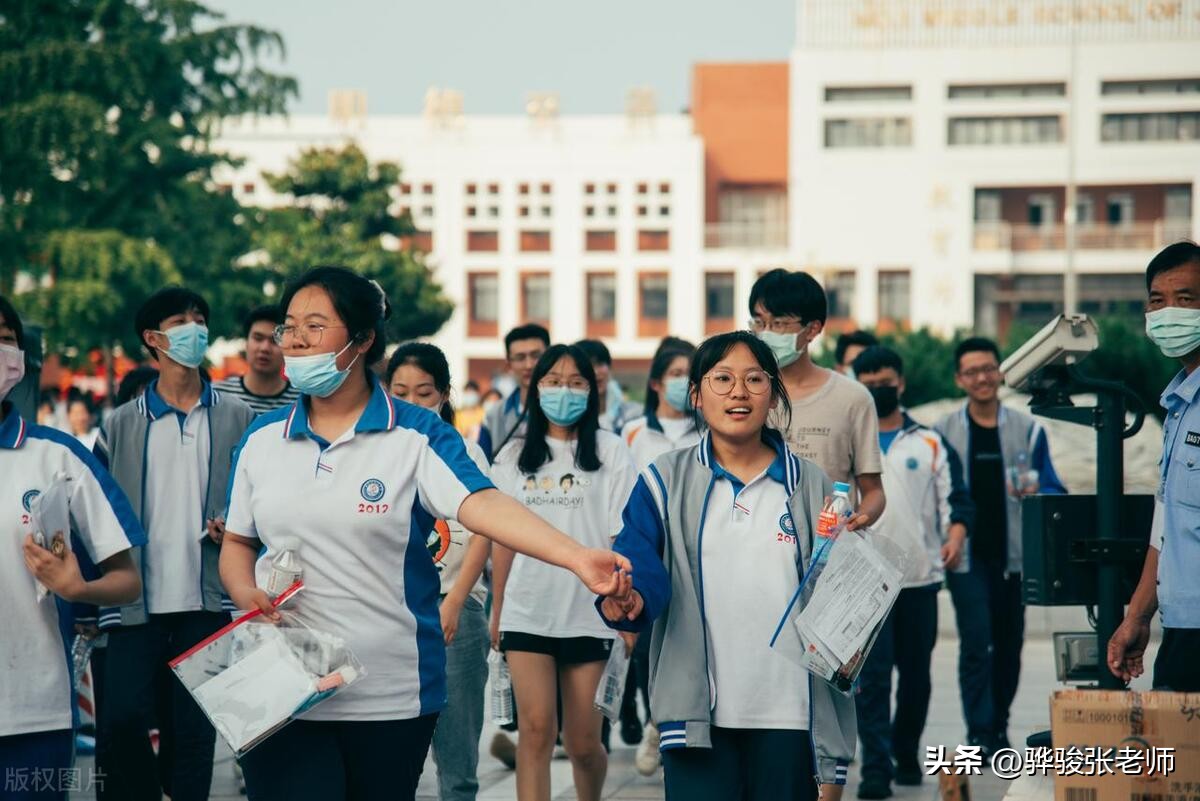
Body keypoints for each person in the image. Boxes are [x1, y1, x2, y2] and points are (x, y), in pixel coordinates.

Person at [219, 267, 632, 801]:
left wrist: (577, 557)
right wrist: (242, 589)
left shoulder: (415, 434)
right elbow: (238, 541)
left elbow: (481, 504)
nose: (294, 339)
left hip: (388, 692)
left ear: (363, 339)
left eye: (315, 325)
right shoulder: (261, 439)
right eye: (288, 325)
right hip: (281, 684)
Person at [599, 330, 859, 801]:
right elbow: (641, 563)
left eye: (754, 379)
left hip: (792, 714)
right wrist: (629, 597)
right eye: (722, 378)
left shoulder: (813, 486)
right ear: (696, 395)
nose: (739, 392)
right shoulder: (664, 480)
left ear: (773, 394)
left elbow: (839, 598)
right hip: (699, 718)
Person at [91, 286, 256, 801]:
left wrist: (236, 524)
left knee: (194, 733)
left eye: (200, 317)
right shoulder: (118, 425)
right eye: (181, 319)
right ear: (153, 338)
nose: (195, 327)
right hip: (134, 598)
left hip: (208, 600)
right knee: (120, 719)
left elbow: (262, 500)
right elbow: (94, 509)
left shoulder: (238, 417)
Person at [0, 296, 146, 801]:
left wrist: (79, 586)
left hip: (32, 713)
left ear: (19, 357)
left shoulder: (56, 457)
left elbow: (128, 580)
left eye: (4, 336)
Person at [489, 343, 638, 801]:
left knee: (582, 742)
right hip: (528, 610)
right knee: (534, 732)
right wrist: (497, 612)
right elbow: (501, 538)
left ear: (592, 393)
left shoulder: (611, 450)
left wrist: (626, 612)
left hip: (591, 612)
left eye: (576, 383)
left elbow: (622, 535)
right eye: (554, 382)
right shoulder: (512, 457)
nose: (564, 392)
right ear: (536, 390)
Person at [934, 337, 1066, 754]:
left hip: (1014, 557)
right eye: (972, 371)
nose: (982, 378)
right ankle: (979, 729)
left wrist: (1037, 493)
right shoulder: (943, 432)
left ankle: (999, 726)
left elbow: (1052, 489)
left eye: (988, 369)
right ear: (960, 379)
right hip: (966, 556)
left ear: (1001, 372)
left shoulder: (1027, 430)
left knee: (1009, 645)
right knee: (976, 643)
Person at [850, 346, 972, 800]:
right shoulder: (849, 441)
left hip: (920, 579)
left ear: (900, 383)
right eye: (868, 381)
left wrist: (955, 537)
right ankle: (877, 768)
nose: (877, 389)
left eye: (884, 381)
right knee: (874, 679)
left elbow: (957, 501)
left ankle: (905, 751)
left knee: (916, 677)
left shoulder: (930, 441)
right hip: (864, 584)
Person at [386, 342, 492, 801]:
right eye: (400, 391)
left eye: (424, 393)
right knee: (389, 759)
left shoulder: (465, 451)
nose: (412, 403)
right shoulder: (375, 453)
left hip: (455, 612)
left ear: (445, 394)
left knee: (456, 757)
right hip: (389, 613)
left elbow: (485, 531)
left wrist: (456, 601)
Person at [1108, 241, 1200, 692]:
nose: (1169, 313)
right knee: (1180, 761)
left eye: (1185, 299)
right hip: (1183, 625)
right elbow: (1167, 523)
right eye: (1157, 301)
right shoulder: (1179, 405)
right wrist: (1138, 615)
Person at [617, 338, 700, 773]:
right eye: (674, 374)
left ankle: (669, 726)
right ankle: (657, 722)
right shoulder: (633, 432)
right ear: (655, 382)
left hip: (696, 556)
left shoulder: (706, 431)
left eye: (690, 374)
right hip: (649, 555)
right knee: (649, 648)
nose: (682, 383)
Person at [748, 269, 885, 528]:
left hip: (827, 549)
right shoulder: (745, 394)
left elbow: (874, 491)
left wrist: (856, 522)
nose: (765, 333)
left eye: (778, 324)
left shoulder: (852, 398)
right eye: (759, 322)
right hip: (758, 543)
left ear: (813, 329)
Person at [479, 324, 549, 461]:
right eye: (520, 357)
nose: (529, 365)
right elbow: (482, 467)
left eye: (536, 355)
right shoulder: (494, 415)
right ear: (509, 364)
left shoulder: (564, 410)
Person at [215, 304, 300, 415]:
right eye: (258, 338)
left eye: (274, 341)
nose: (264, 348)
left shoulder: (302, 402)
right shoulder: (219, 395)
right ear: (246, 342)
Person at [575, 339, 637, 432]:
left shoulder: (633, 415)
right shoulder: (571, 417)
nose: (595, 372)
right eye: (589, 365)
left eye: (600, 364)